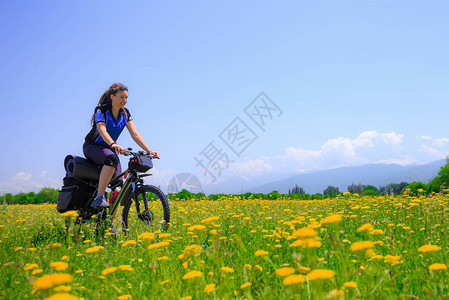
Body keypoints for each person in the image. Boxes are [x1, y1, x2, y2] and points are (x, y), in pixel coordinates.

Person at [84, 83, 158, 208]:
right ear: (112, 97)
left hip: (109, 149)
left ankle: (110, 222)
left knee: (118, 186)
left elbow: (135, 134)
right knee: (112, 158)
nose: (124, 100)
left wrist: (149, 150)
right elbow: (102, 130)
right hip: (93, 146)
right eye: (121, 97)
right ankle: (99, 197)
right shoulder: (101, 110)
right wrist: (113, 143)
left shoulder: (125, 114)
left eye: (126, 97)